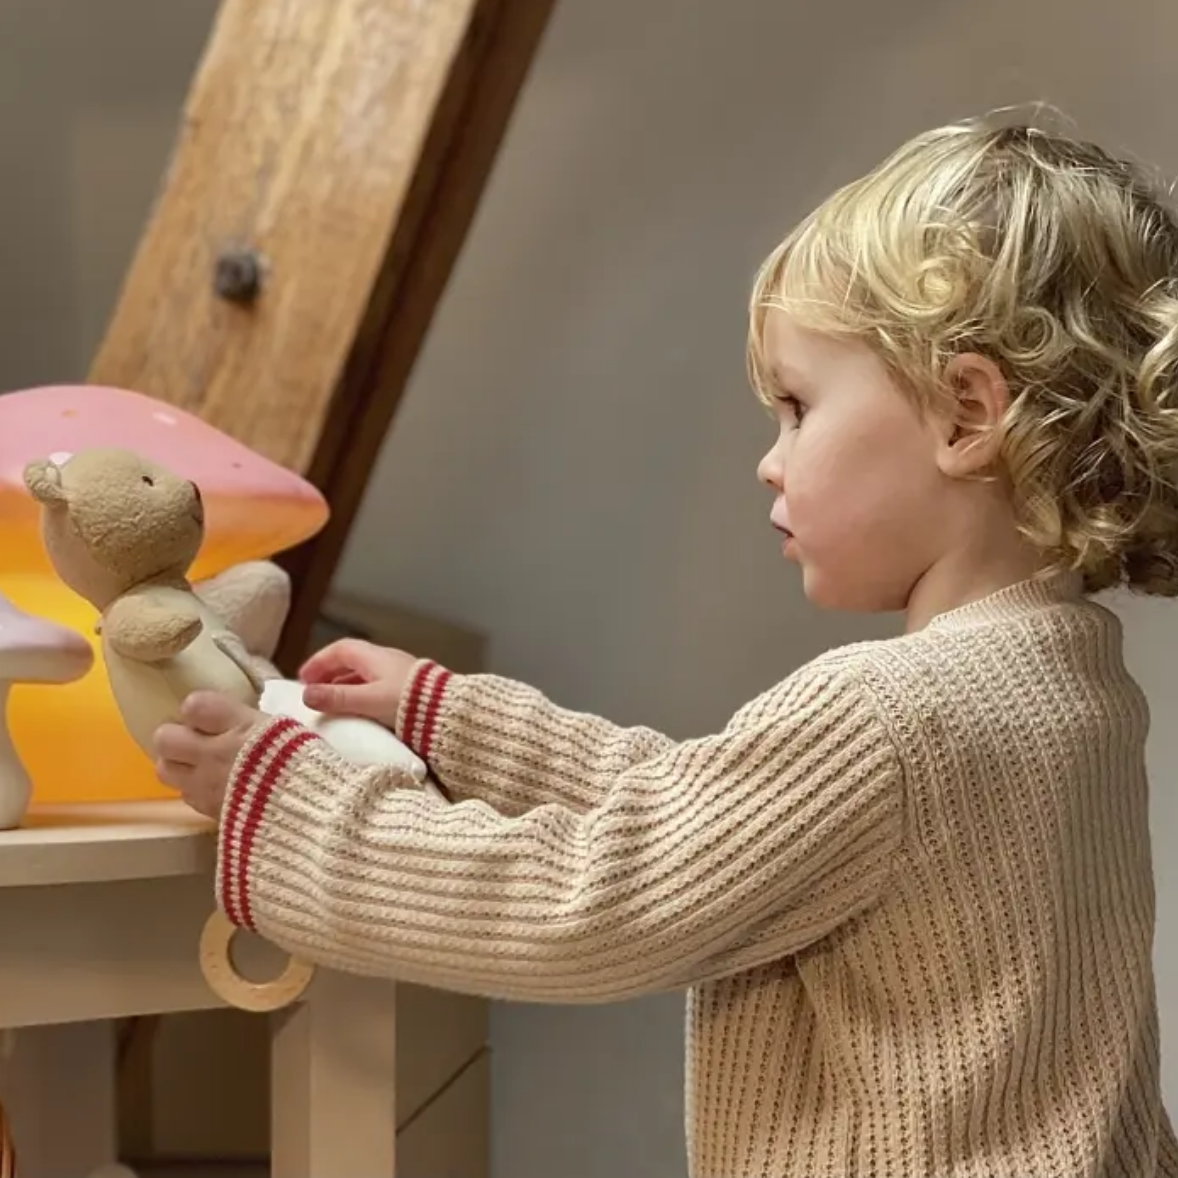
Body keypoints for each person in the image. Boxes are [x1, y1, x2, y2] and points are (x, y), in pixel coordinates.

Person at [154, 116, 1178, 1177]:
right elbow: (716, 812)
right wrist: (453, 717)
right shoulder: (1071, 680)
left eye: (795, 407)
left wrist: (288, 805)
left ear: (965, 414)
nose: (768, 464)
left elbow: (589, 903)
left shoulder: (883, 713)